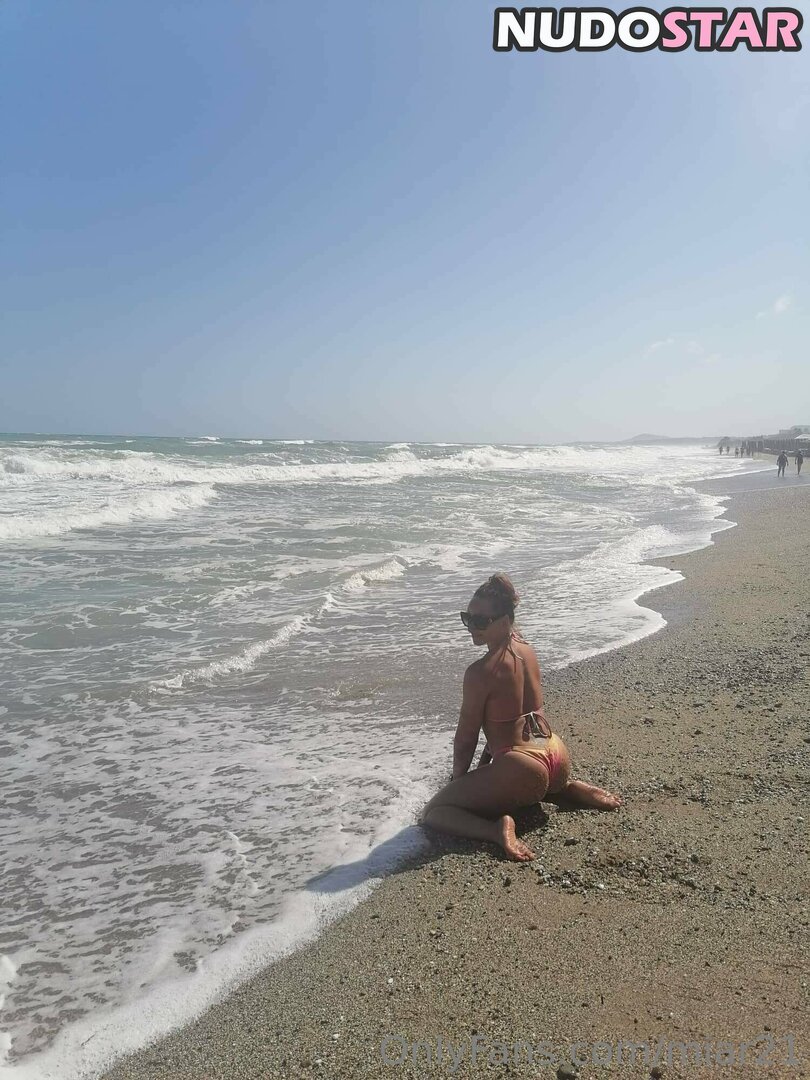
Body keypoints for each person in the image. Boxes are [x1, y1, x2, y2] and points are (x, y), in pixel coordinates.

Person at [420, 574, 621, 862]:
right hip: (555, 754)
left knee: (434, 812)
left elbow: (466, 738)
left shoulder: (481, 672)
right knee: (527, 783)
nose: (472, 627)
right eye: (467, 618)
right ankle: (566, 789)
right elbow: (512, 718)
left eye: (481, 621)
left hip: (524, 768)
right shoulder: (526, 649)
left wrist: (458, 784)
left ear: (504, 620)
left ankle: (496, 830)